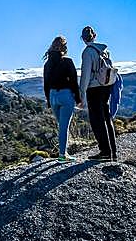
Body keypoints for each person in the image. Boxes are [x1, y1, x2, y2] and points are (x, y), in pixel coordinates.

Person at [79, 26, 117, 161]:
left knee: (97, 120)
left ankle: (104, 151)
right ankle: (113, 151)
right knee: (107, 118)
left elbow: (85, 75)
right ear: (94, 35)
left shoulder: (88, 52)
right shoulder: (105, 51)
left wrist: (81, 93)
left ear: (83, 39)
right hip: (106, 87)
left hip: (94, 88)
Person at [43, 35, 82, 163]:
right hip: (66, 96)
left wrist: (49, 101)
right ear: (64, 47)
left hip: (53, 96)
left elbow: (46, 84)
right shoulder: (67, 61)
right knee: (64, 127)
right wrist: (78, 98)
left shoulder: (47, 64)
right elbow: (73, 82)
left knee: (61, 126)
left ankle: (63, 152)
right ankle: (62, 155)